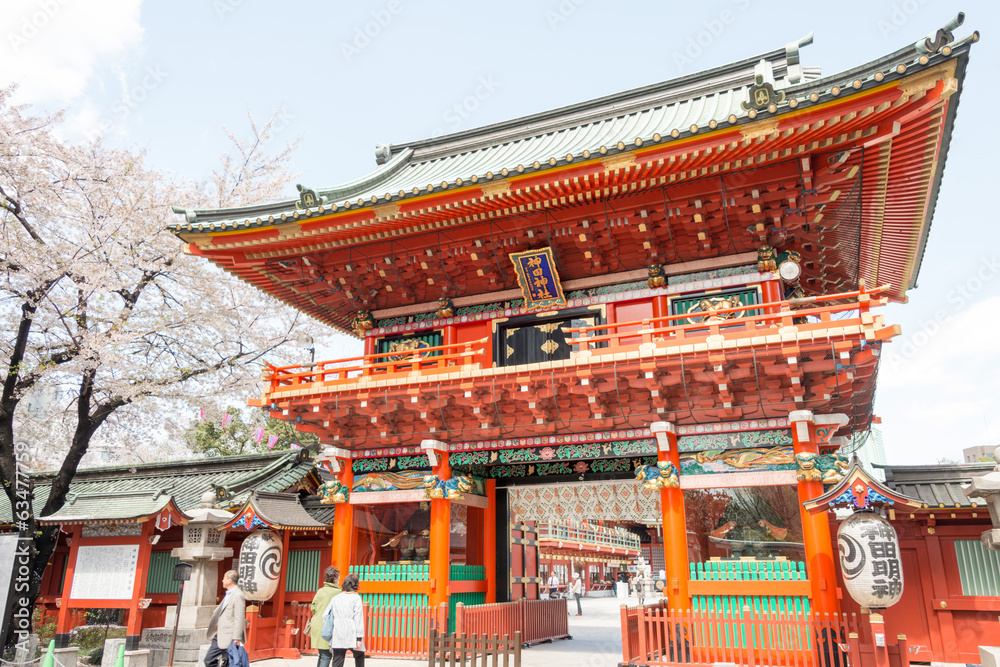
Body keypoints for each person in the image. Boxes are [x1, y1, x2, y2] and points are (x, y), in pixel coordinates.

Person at [204, 570, 246, 667]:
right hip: (220, 633)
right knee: (209, 660)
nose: (222, 580)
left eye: (224, 578)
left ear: (229, 580)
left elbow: (239, 617)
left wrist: (236, 637)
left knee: (228, 662)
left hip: (230, 636)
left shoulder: (238, 595)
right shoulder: (229, 594)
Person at [326, 572, 365, 667]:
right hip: (351, 630)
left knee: (338, 659)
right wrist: (359, 638)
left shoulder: (336, 598)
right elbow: (358, 618)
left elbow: (326, 615)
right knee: (359, 654)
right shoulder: (356, 598)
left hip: (337, 630)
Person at [310, 566, 342, 667]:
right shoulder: (339, 593)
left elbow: (313, 608)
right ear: (335, 579)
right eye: (338, 577)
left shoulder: (320, 591)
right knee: (326, 656)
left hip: (317, 625)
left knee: (322, 655)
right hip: (328, 627)